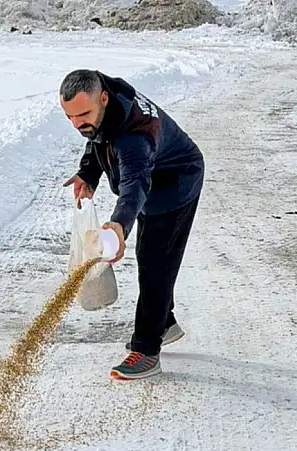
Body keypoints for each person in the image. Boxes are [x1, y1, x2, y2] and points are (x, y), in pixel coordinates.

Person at [59, 69, 204, 380]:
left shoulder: (134, 137)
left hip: (175, 182)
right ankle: (164, 323)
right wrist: (88, 172)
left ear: (103, 99)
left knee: (156, 264)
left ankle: (147, 350)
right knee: (150, 258)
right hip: (154, 175)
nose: (76, 124)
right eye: (69, 116)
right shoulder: (104, 99)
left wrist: (119, 225)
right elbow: (96, 135)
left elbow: (135, 185)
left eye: (82, 114)